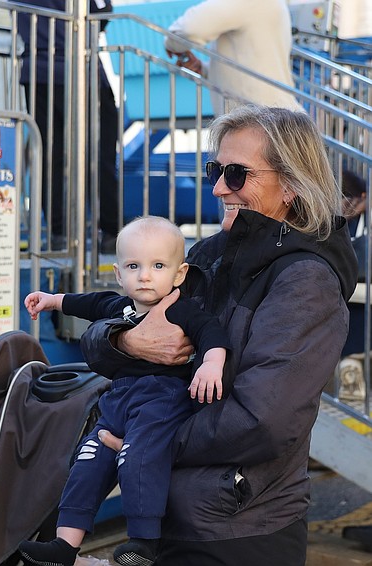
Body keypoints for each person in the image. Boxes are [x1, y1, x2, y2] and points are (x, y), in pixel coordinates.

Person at [82, 105, 357, 565]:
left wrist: (146, 440)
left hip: (239, 530)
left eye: (236, 174)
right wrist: (120, 342)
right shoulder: (209, 254)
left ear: (290, 184)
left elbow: (263, 420)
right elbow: (119, 320)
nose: (217, 187)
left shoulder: (305, 279)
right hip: (172, 514)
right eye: (215, 170)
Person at [18, 216, 230, 566]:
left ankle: (144, 541)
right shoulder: (120, 307)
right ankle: (65, 545)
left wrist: (210, 364)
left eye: (158, 266)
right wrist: (50, 300)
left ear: (179, 275)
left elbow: (212, 335)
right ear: (119, 274)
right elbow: (86, 303)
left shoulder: (184, 311)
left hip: (162, 401)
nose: (144, 275)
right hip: (118, 400)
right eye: (134, 266)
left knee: (138, 458)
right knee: (88, 459)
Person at [15, 0, 119, 252]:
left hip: (39, 70)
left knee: (50, 155)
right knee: (99, 155)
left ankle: (58, 233)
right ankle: (109, 233)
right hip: (82, 70)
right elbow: (102, 11)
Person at [163, 0, 300, 113]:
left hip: (260, 121)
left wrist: (171, 44)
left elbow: (190, 28)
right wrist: (206, 70)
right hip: (278, 116)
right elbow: (257, 59)